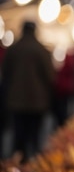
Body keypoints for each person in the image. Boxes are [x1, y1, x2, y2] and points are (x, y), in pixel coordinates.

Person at [1, 20, 56, 161]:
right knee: (35, 137)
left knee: (18, 137)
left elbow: (5, 73)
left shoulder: (13, 49)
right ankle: (32, 167)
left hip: (16, 101)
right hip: (37, 102)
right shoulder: (41, 50)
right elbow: (50, 76)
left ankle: (16, 167)